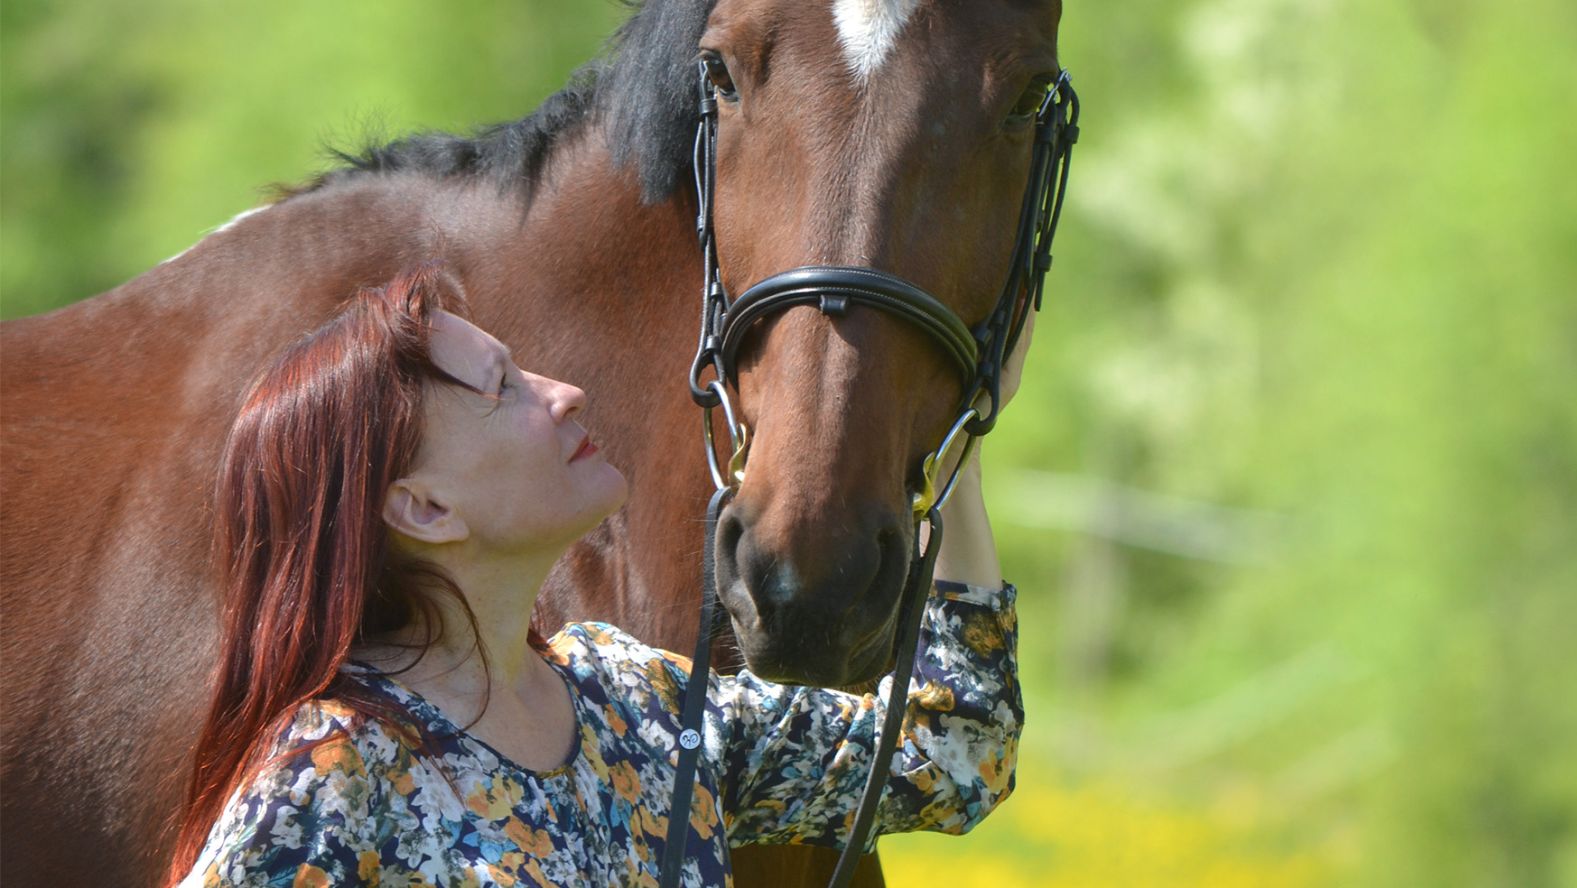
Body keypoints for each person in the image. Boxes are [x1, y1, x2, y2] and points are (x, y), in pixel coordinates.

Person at [169, 263, 1025, 887]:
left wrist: (959, 450)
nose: (565, 392)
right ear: (423, 508)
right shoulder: (331, 781)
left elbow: (950, 757)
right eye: (502, 387)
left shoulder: (636, 702)